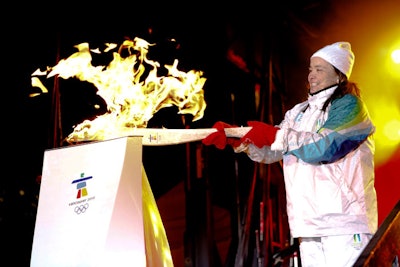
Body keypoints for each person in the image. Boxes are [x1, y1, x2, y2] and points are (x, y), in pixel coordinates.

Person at [202, 41, 378, 267]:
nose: (311, 75)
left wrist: (273, 135)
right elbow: (273, 152)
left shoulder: (350, 106)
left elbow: (325, 147)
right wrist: (241, 140)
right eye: (310, 69)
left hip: (344, 224)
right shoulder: (298, 113)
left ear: (339, 76)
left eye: (320, 69)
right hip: (307, 223)